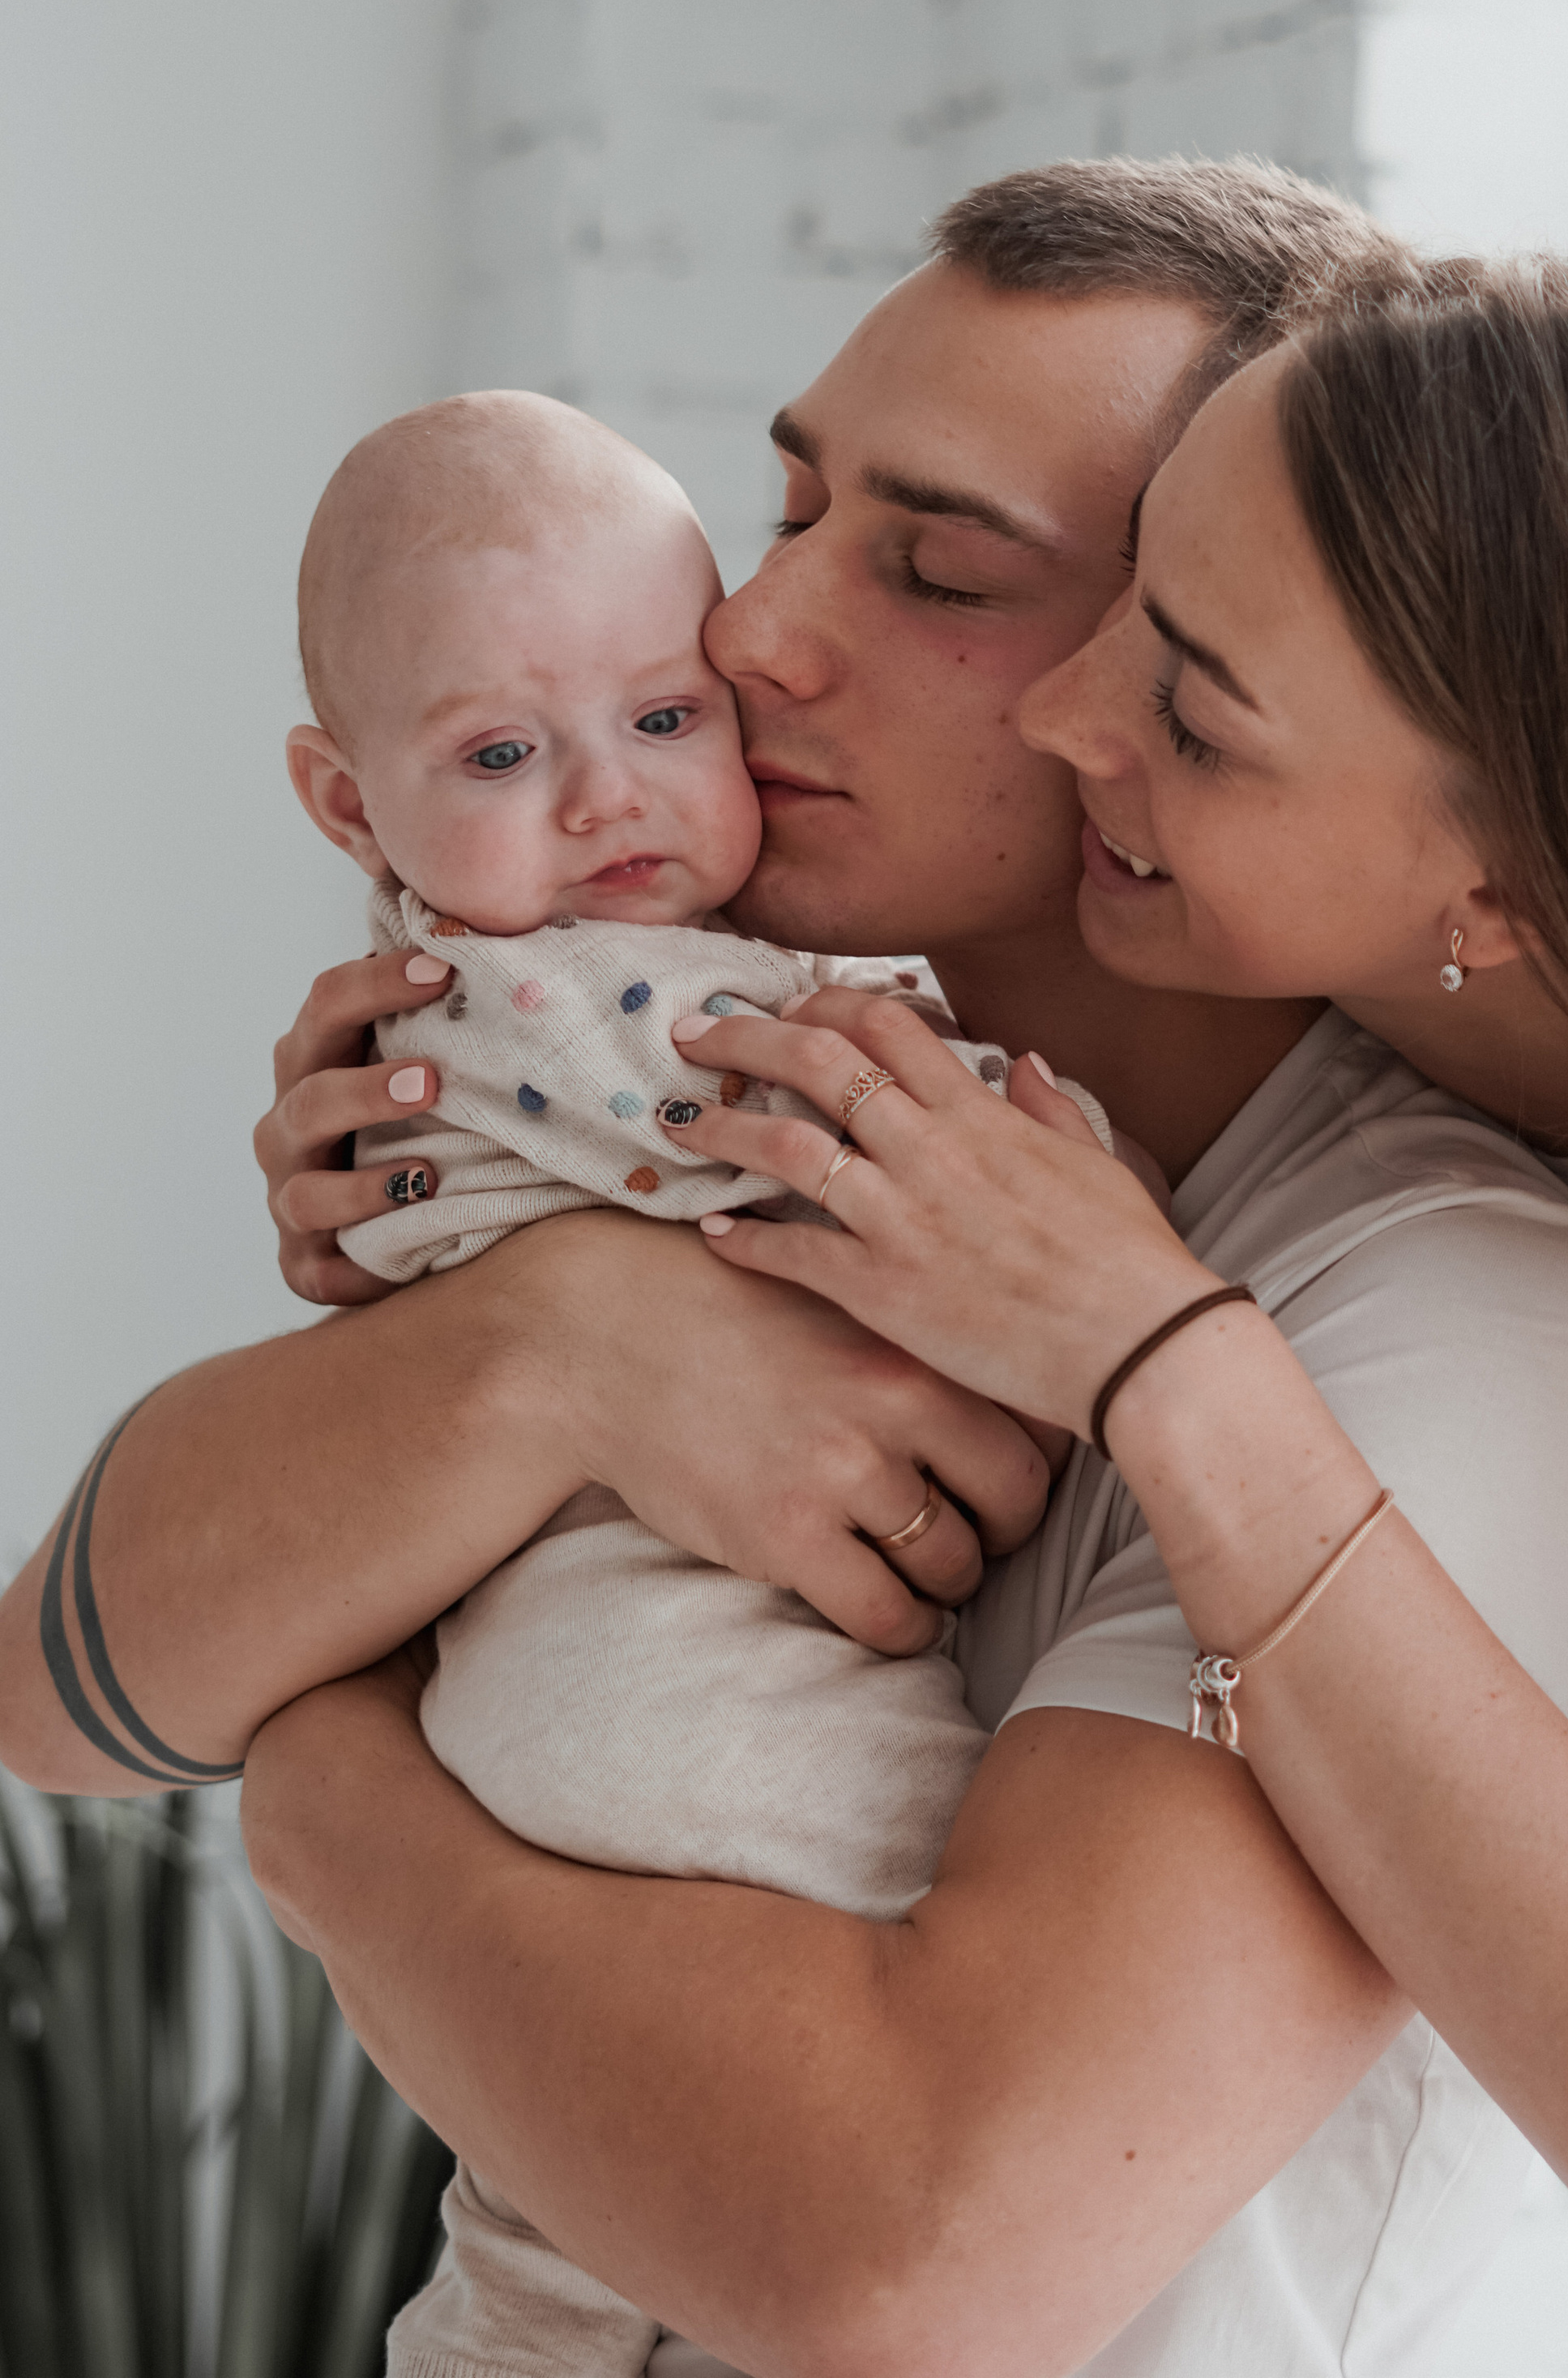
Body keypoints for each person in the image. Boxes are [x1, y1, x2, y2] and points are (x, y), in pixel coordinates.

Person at [0, 159, 1568, 2378]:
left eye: (936, 573)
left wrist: (331, 1805)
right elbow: (62, 1687)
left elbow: (906, 2265)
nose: (751, 634)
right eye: (789, 509)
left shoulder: (1442, 1331)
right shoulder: (726, 1133)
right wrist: (560, 1346)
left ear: (1188, 667)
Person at [654, 243, 1568, 2374]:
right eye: (1126, 606)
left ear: (1501, 891)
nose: (1066, 721)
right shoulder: (1431, 1009)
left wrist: (1161, 1368)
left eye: (1193, 713)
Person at [280, 383, 1106, 2378]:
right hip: (683, 1715)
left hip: (561, 1708)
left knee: (556, 2239)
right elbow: (815, 1126)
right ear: (344, 803)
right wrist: (1063, 1151)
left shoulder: (430, 1011)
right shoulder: (567, 997)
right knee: (884, 2052)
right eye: (499, 751)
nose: (604, 803)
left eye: (664, 721)